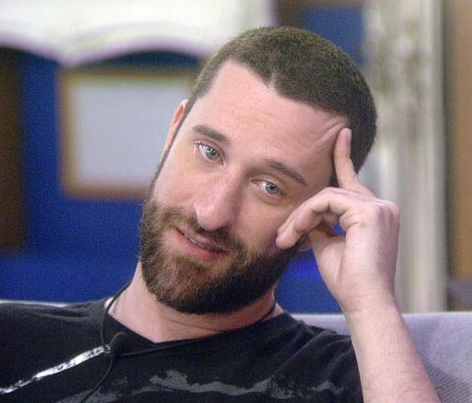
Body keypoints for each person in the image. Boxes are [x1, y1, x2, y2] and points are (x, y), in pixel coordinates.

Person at [0, 26, 440, 403]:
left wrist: (370, 304)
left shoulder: (339, 378)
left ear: (316, 221)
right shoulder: (15, 342)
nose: (211, 213)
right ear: (173, 132)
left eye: (269, 187)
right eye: (209, 152)